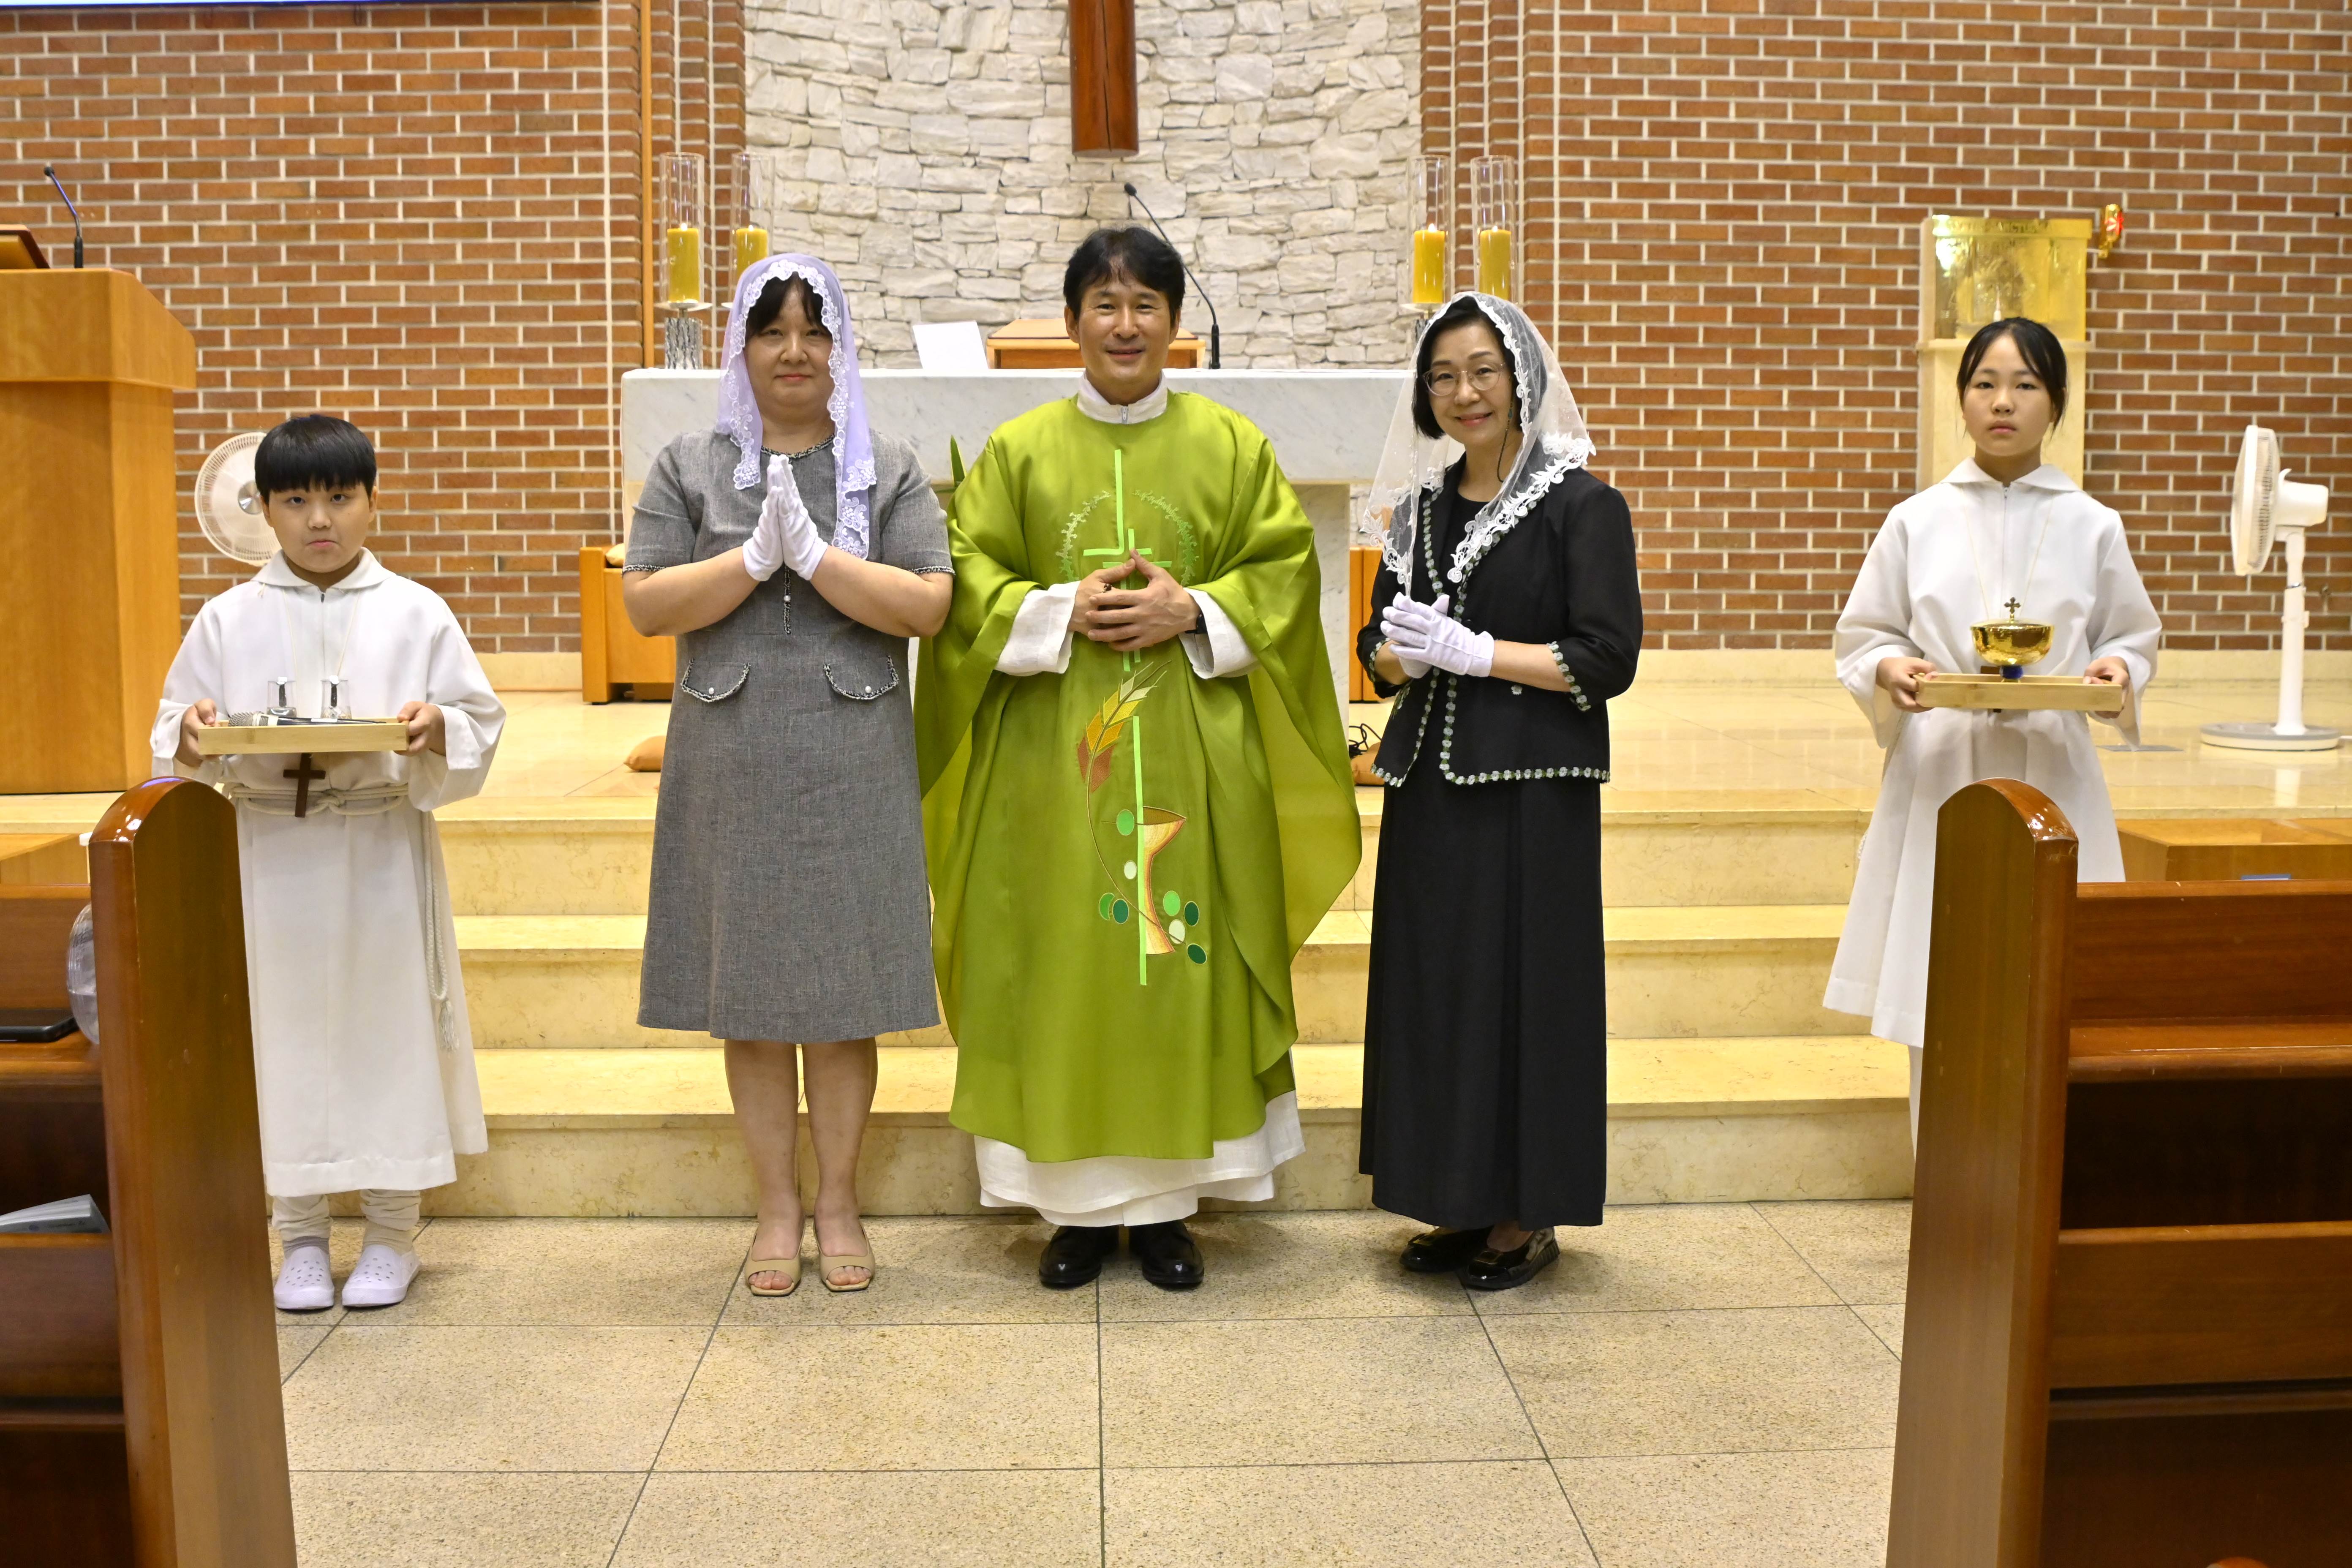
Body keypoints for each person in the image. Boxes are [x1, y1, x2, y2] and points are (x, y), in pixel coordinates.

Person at [916, 226, 1359, 1290]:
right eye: (1105, 305)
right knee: (1062, 958)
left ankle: (1169, 1212)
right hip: (1053, 761)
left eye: (1145, 305)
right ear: (1072, 321)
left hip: (1195, 754)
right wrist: (1056, 607)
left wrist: (1193, 608)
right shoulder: (1020, 451)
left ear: (1176, 324)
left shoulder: (1230, 446)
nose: (1125, 325)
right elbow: (964, 580)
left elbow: (1282, 569)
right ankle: (1071, 1211)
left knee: (1180, 952)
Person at [625, 254, 952, 1296]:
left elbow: (928, 604)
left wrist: (815, 559)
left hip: (852, 750)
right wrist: (749, 561)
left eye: (816, 330)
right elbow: (646, 603)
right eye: (773, 331)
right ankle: (776, 1208)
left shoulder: (885, 467)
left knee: (845, 996)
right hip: (732, 748)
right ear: (743, 345)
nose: (795, 351)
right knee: (755, 995)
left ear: (841, 347)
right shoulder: (691, 464)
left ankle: (839, 1201)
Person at [154, 414, 505, 1312]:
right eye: (297, 500)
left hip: (379, 846)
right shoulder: (229, 618)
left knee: (388, 1030)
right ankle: (300, 1236)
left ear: (372, 502)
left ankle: (392, 1233)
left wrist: (440, 726)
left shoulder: (416, 610)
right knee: (281, 1040)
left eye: (341, 498)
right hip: (270, 855)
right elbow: (175, 733)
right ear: (263, 509)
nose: (320, 519)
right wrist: (191, 732)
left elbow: (477, 719)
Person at [1354, 292, 1642, 1291]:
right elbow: (1378, 648)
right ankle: (1460, 1194)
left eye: (1483, 370)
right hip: (1432, 787)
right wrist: (1402, 655)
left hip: (1532, 792)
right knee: (1441, 991)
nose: (1464, 391)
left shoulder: (1581, 504)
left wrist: (1479, 652)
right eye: (1443, 376)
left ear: (1521, 379)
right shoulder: (1420, 510)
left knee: (1527, 994)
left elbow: (1607, 657)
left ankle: (1525, 1212)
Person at [1826, 316, 2160, 1141]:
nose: (2003, 402)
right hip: (1944, 765)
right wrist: (1890, 666)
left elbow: (2130, 635)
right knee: (1940, 965)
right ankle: (1942, 1170)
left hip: (2054, 764)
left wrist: (2118, 671)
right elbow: (1866, 633)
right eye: (1985, 384)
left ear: (2057, 403)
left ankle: (2047, 1168)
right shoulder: (1918, 518)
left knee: (2050, 970)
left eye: (2025, 385)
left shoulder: (2092, 523)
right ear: (1963, 398)